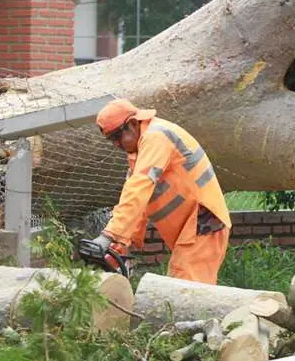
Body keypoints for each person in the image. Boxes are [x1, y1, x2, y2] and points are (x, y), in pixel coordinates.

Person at [90, 99, 231, 284]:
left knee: (185, 287)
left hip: (203, 222)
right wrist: (120, 246)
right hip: (193, 227)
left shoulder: (156, 137)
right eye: (111, 140)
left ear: (132, 124)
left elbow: (139, 188)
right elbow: (138, 202)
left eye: (116, 137)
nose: (116, 144)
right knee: (187, 288)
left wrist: (108, 235)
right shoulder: (139, 152)